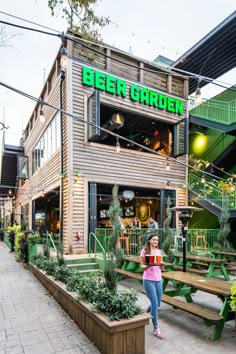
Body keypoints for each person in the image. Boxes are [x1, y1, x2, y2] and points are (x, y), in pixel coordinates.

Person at [140, 233, 164, 339]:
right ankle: (156, 328)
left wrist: (162, 265)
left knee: (158, 303)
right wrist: (151, 264)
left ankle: (145, 311)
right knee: (155, 305)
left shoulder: (159, 252)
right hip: (148, 280)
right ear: (149, 240)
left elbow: (161, 267)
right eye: (154, 240)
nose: (156, 242)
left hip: (158, 280)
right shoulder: (145, 251)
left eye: (157, 240)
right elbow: (142, 266)